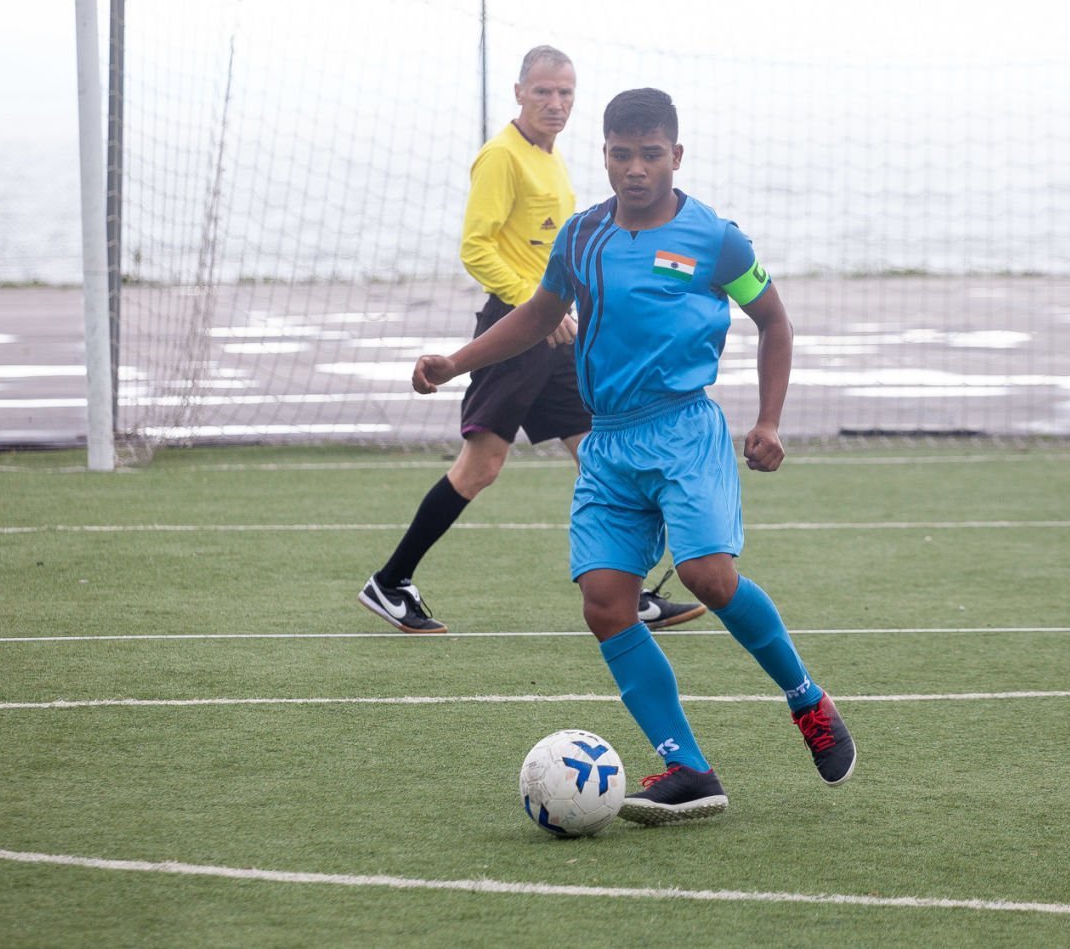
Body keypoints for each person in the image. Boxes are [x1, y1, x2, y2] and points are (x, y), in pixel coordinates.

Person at [411, 87, 855, 823]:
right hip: (609, 440)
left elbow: (774, 321)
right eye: (622, 154)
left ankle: (806, 698)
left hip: (684, 430)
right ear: (606, 155)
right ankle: (688, 768)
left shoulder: (717, 239)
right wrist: (456, 362)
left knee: (709, 577)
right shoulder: (582, 236)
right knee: (606, 603)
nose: (636, 169)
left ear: (676, 155)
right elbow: (540, 315)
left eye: (651, 155)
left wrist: (769, 420)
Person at [358, 48, 705, 636]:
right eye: (543, 91)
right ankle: (390, 582)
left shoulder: (551, 156)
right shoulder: (501, 157)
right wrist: (533, 305)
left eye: (565, 92)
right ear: (519, 92)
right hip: (517, 331)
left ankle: (630, 592)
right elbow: (476, 247)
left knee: (599, 456)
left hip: (556, 335)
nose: (555, 103)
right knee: (481, 466)